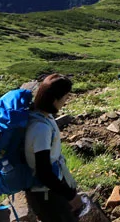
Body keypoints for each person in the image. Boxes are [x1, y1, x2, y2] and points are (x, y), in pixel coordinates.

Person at [24, 74, 80, 222]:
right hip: (46, 194)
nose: (66, 101)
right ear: (55, 99)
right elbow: (44, 173)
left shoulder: (40, 115)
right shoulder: (41, 129)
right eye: (66, 97)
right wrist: (70, 195)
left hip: (49, 190)